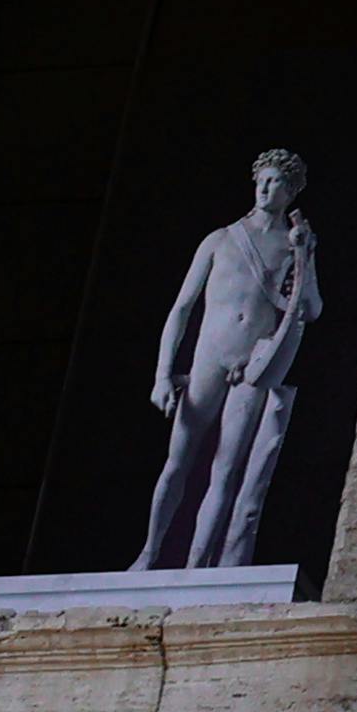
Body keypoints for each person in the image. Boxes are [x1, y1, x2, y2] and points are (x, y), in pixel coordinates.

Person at [135, 150, 328, 572]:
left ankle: (195, 566)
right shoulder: (221, 239)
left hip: (252, 366)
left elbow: (310, 308)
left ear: (291, 190)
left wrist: (303, 255)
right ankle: (149, 552)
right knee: (176, 464)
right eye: (261, 179)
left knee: (224, 473)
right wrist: (162, 375)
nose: (264, 188)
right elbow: (181, 308)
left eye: (275, 182)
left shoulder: (292, 245)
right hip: (210, 357)